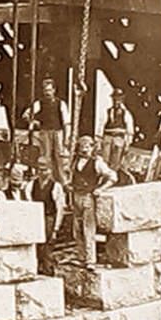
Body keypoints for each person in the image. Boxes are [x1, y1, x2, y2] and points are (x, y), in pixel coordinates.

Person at [68, 135, 116, 267]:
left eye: (87, 146)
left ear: (92, 148)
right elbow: (73, 176)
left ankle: (90, 259)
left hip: (88, 197)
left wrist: (100, 189)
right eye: (82, 146)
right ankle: (81, 256)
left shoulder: (97, 162)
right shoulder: (75, 161)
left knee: (88, 228)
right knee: (77, 229)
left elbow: (113, 176)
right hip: (76, 196)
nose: (84, 150)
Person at [26, 79, 68, 182]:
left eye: (49, 90)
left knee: (60, 157)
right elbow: (26, 114)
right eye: (45, 90)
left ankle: (63, 180)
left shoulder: (61, 103)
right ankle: (49, 180)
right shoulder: (39, 103)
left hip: (58, 132)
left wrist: (66, 138)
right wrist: (34, 122)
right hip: (45, 132)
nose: (47, 93)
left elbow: (66, 122)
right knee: (46, 156)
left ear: (54, 90)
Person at [31, 156, 65, 274]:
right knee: (37, 247)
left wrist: (56, 228)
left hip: (49, 218)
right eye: (40, 169)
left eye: (45, 170)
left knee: (47, 248)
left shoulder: (56, 186)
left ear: (50, 170)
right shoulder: (32, 185)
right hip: (36, 219)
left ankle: (47, 271)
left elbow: (60, 208)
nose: (42, 172)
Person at [101, 89, 133, 174]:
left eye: (119, 99)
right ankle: (105, 177)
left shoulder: (126, 113)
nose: (116, 101)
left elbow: (129, 129)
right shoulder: (107, 111)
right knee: (105, 159)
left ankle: (113, 177)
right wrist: (99, 139)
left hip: (119, 138)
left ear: (122, 100)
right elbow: (101, 125)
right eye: (114, 99)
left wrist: (128, 143)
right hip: (108, 137)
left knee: (116, 160)